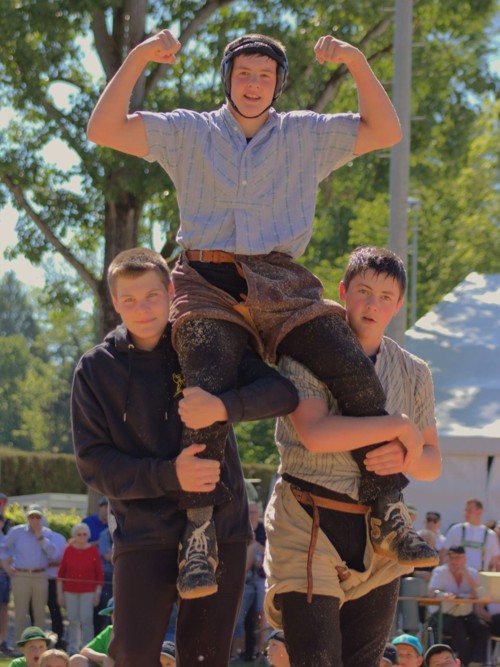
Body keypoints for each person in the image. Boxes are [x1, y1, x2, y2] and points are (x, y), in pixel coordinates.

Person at [86, 28, 436, 598]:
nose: (254, 84)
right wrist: (138, 57)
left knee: (351, 367)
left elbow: (387, 130)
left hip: (283, 279)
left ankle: (386, 509)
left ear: (278, 84)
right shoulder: (188, 131)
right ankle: (198, 535)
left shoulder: (305, 133)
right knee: (204, 391)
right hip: (206, 280)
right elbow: (103, 129)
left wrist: (352, 61)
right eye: (244, 73)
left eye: (265, 75)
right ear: (228, 79)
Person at [71, 247, 298, 667]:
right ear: (115, 303)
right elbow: (94, 465)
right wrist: (171, 475)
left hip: (220, 527)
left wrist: (223, 405)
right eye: (129, 300)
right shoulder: (95, 369)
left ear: (171, 290)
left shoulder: (206, 341)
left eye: (152, 296)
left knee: (204, 659)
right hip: (143, 532)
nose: (142, 308)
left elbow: (282, 393)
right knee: (133, 655)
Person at [264, 246, 442, 667]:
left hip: (380, 532)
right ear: (343, 292)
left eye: (385, 297)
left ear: (397, 306)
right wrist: (397, 427)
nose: (372, 304)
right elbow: (315, 433)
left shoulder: (414, 370)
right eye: (364, 291)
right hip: (308, 518)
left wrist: (404, 456)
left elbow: (432, 462)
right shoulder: (305, 351)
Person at [0, 505, 56, 641]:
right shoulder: (16, 531)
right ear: (27, 518)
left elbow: (52, 552)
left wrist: (39, 536)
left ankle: (40, 647)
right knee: (20, 612)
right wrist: (6, 566)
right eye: (32, 516)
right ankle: (19, 647)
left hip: (40, 575)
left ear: (42, 518)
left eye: (38, 517)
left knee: (39, 613)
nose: (34, 519)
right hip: (21, 575)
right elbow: (3, 547)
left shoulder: (47, 533)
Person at [428, 546, 490, 666]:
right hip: (442, 615)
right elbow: (431, 592)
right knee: (457, 627)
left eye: (457, 558)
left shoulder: (472, 572)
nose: (454, 561)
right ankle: (463, 663)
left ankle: (477, 662)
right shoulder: (440, 571)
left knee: (482, 628)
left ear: (464, 559)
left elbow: (482, 595)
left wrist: (467, 576)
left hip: (465, 614)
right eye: (451, 558)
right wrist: (443, 595)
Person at [57, 523, 104, 655]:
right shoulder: (69, 550)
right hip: (70, 590)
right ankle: (73, 648)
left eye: (85, 534)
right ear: (74, 536)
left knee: (87, 619)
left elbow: (99, 574)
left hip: (88, 591)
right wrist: (60, 593)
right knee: (73, 620)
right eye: (79, 534)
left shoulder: (93, 550)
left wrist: (97, 593)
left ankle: (88, 648)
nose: (82, 537)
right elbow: (61, 573)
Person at [441, 499, 500, 571]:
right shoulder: (456, 529)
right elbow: (443, 552)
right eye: (465, 510)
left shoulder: (490, 535)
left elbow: (496, 561)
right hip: (458, 579)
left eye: (470, 510)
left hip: (479, 579)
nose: (466, 513)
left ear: (480, 511)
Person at [69, 598, 114, 666]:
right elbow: (85, 651)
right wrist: (104, 658)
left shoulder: (135, 633)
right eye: (112, 613)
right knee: (77, 660)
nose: (116, 617)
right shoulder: (110, 630)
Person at [45, 529, 67, 650]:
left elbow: (64, 560)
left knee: (55, 610)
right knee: (34, 611)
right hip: (38, 578)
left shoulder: (59, 537)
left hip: (54, 580)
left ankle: (58, 639)